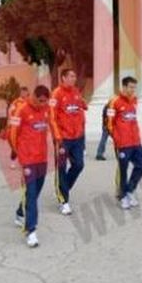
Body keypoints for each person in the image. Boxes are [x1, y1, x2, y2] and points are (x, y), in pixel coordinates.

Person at [10, 85, 54, 248]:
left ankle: (20, 212)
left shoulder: (46, 109)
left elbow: (51, 125)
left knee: (36, 192)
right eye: (40, 100)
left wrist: (58, 140)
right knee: (31, 192)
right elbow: (13, 134)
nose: (42, 103)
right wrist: (19, 153)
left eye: (45, 101)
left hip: (41, 158)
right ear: (33, 96)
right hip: (27, 159)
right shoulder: (21, 110)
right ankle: (31, 230)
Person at [50, 68, 88, 215]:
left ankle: (63, 188)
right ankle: (63, 201)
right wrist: (58, 137)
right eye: (71, 76)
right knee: (61, 168)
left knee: (79, 165)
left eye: (75, 76)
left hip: (77, 137)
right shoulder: (56, 94)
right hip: (63, 139)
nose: (74, 78)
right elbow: (52, 118)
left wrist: (83, 105)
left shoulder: (76, 92)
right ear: (63, 78)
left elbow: (80, 109)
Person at [106, 76, 142, 210]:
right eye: (130, 87)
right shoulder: (114, 102)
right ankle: (123, 197)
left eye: (134, 87)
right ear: (124, 87)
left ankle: (129, 190)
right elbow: (109, 124)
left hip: (136, 142)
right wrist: (117, 139)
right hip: (123, 144)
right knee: (123, 171)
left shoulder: (134, 100)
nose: (133, 90)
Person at [1, 87, 29, 170]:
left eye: (25, 92)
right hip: (16, 127)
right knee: (15, 145)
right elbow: (10, 114)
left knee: (26, 145)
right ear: (20, 93)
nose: (24, 94)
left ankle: (25, 161)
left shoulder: (29, 102)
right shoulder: (15, 102)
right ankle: (13, 161)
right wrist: (9, 126)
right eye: (22, 92)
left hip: (26, 127)